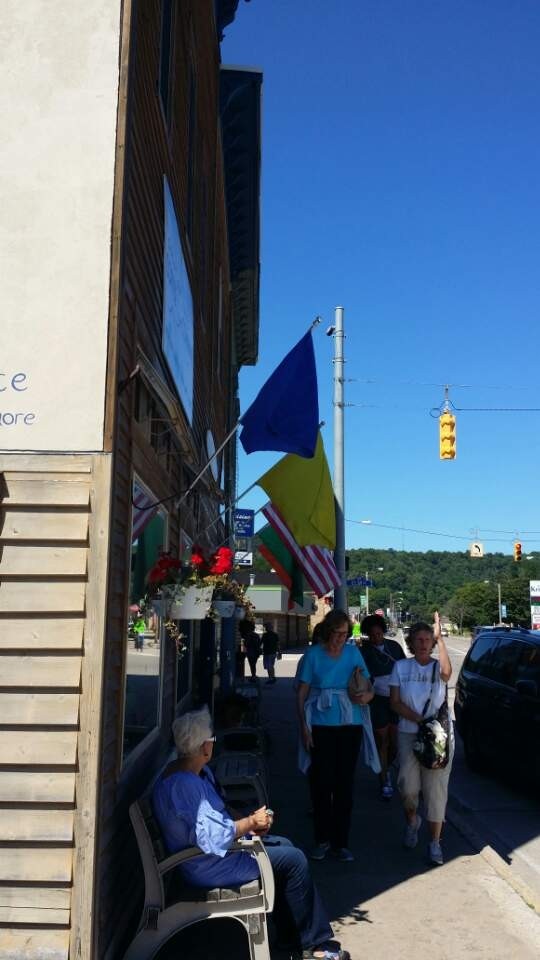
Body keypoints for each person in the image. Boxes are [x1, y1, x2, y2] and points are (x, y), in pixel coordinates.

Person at [152, 708, 350, 960]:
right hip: (208, 865)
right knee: (295, 860)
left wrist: (251, 825)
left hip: (208, 857)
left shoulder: (192, 772)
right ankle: (317, 946)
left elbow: (221, 811)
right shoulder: (185, 785)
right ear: (204, 747)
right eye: (212, 739)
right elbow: (215, 837)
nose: (214, 743)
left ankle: (291, 937)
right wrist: (250, 822)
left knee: (285, 846)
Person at [296, 609, 374, 862]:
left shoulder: (353, 653)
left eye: (344, 634)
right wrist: (303, 727)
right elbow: (301, 693)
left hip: (350, 723)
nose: (341, 639)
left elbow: (368, 685)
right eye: (337, 633)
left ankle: (340, 843)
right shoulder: (313, 655)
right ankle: (322, 839)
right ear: (328, 631)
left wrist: (367, 696)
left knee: (344, 785)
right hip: (320, 724)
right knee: (321, 783)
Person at [389, 612, 453, 866]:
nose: (424, 643)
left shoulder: (438, 667)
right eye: (419, 639)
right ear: (411, 643)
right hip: (409, 732)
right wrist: (419, 720)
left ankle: (435, 842)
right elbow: (394, 702)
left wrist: (442, 639)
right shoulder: (400, 667)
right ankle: (412, 821)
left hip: (437, 737)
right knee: (407, 787)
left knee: (436, 790)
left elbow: (447, 673)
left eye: (428, 639)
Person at [360, 614, 405, 800]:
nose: (376, 638)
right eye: (372, 635)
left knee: (395, 742)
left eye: (379, 634)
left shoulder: (394, 647)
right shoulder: (364, 652)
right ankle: (384, 779)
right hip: (376, 701)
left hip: (395, 699)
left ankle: (386, 766)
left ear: (383, 631)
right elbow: (361, 676)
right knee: (381, 740)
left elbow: (404, 668)